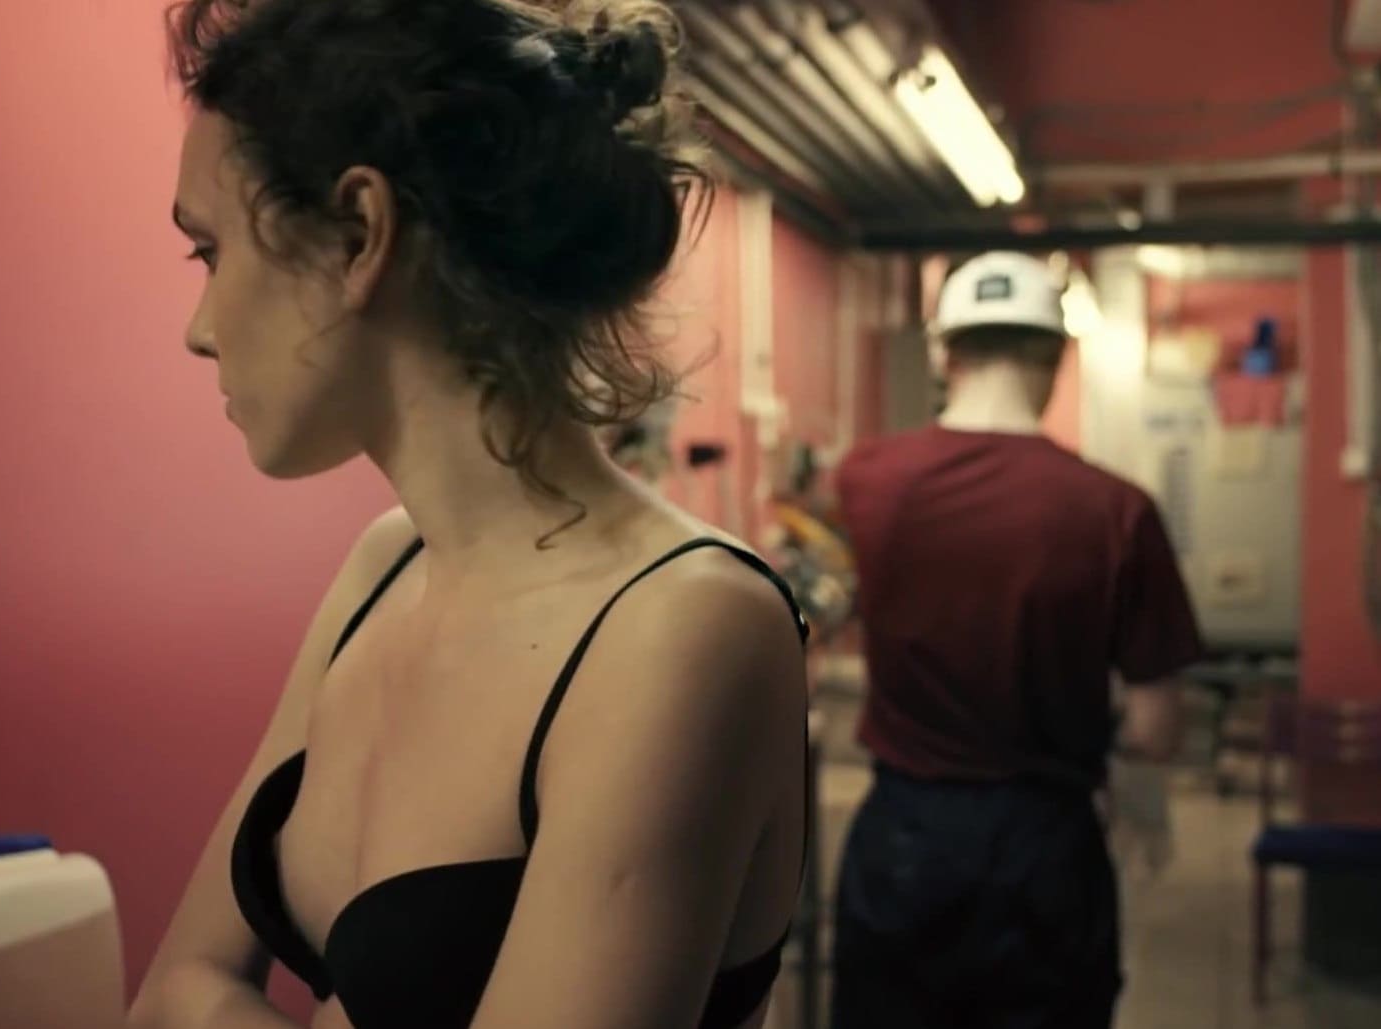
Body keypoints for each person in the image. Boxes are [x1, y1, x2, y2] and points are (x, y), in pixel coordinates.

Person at [128, 2, 809, 1028]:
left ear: (360, 233)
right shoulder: (389, 566)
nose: (200, 328)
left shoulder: (686, 626)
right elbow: (173, 991)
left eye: (211, 253)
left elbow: (203, 1003)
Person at [829, 251, 1204, 1029]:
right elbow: (1156, 730)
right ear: (1058, 356)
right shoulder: (1117, 510)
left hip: (905, 838)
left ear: (945, 353)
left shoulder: (866, 480)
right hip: (1046, 849)